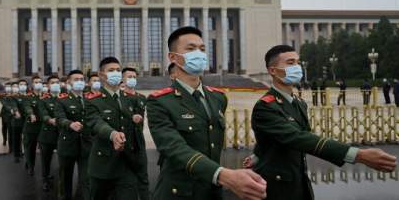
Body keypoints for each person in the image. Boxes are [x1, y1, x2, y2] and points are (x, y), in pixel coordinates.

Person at [251, 45, 397, 200]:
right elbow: (297, 138)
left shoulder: (299, 103)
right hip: (276, 188)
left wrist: (258, 155)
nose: (297, 67)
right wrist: (358, 155)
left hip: (299, 183)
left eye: (298, 62)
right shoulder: (266, 107)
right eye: (290, 63)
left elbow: (277, 139)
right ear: (273, 70)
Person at [147, 26, 267, 200]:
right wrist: (224, 175)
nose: (199, 53)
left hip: (212, 192)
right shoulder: (160, 101)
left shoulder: (218, 97)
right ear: (173, 57)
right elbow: (175, 148)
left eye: (202, 49)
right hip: (179, 193)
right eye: (190, 49)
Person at [84, 57, 140, 200]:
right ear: (101, 74)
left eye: (118, 70)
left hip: (127, 163)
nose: (116, 73)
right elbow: (96, 122)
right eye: (111, 70)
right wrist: (112, 134)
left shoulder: (129, 98)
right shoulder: (93, 100)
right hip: (103, 165)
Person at [55, 70, 92, 200]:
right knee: (66, 179)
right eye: (76, 79)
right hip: (68, 144)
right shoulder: (62, 100)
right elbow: (59, 118)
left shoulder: (90, 99)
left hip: (86, 145)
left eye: (82, 79)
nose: (79, 82)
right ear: (69, 82)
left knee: (86, 179)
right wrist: (70, 124)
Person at [122, 67, 149, 200]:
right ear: (122, 79)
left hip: (139, 141)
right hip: (124, 142)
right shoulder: (119, 98)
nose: (132, 79)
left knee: (143, 176)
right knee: (126, 179)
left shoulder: (142, 98)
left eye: (134, 77)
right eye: (129, 77)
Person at [38, 75, 61, 191]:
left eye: (57, 82)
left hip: (61, 135)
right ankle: (45, 179)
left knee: (63, 159)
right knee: (46, 160)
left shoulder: (64, 98)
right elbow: (43, 114)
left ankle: (63, 180)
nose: (55, 84)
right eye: (52, 82)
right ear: (48, 85)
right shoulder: (43, 100)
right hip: (47, 135)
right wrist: (50, 120)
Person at [22, 75, 44, 176]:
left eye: (40, 82)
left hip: (43, 127)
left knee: (44, 149)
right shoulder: (28, 97)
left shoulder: (46, 96)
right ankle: (31, 166)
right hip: (31, 127)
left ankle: (45, 172)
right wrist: (31, 114)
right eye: (36, 82)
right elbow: (27, 107)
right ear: (32, 84)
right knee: (31, 148)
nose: (38, 84)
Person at [10, 79, 29, 163]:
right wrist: (16, 112)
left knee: (27, 139)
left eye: (24, 84)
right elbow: (14, 106)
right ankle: (16, 155)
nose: (22, 86)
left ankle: (25, 153)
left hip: (28, 121)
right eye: (21, 84)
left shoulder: (29, 96)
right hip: (17, 121)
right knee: (16, 138)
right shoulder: (14, 96)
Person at [0, 82, 13, 149]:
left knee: (10, 129)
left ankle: (11, 145)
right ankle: (5, 139)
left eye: (9, 86)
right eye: (6, 87)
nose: (8, 88)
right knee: (4, 127)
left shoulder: (14, 94)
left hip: (12, 114)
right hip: (4, 114)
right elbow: (4, 103)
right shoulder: (2, 95)